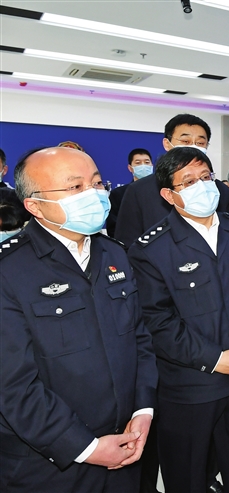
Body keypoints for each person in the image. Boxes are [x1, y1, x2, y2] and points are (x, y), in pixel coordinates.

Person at [0, 147, 157, 492]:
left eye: (97, 183)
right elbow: (12, 385)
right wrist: (84, 447)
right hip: (48, 464)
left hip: (125, 443)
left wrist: (143, 409)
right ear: (35, 205)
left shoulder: (115, 253)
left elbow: (139, 339)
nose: (94, 194)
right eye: (75, 187)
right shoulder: (9, 270)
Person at [128, 147, 229, 493]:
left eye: (206, 177)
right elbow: (157, 321)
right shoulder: (150, 250)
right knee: (188, 478)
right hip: (190, 389)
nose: (202, 186)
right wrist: (215, 359)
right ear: (169, 195)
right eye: (189, 181)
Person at [114, 113, 229, 246]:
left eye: (200, 143)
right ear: (167, 144)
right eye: (185, 141)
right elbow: (127, 242)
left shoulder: (220, 190)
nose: (192, 147)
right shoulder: (139, 191)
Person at [106, 148, 153, 236]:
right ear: (130, 168)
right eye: (138, 163)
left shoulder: (162, 192)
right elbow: (113, 228)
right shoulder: (118, 194)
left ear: (152, 165)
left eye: (147, 162)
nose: (143, 166)